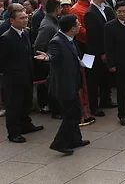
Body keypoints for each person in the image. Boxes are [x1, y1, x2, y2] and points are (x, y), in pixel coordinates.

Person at [34, 15, 89, 154]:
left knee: (75, 111)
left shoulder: (69, 39)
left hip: (72, 82)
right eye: (77, 24)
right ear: (72, 28)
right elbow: (52, 54)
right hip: (64, 85)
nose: (80, 26)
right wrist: (47, 57)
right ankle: (59, 142)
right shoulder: (57, 42)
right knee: (72, 114)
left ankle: (75, 139)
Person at [0, 7, 43, 142]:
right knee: (14, 105)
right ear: (12, 21)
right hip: (13, 78)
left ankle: (25, 124)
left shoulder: (25, 33)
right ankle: (13, 132)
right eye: (21, 18)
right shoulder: (6, 38)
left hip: (27, 74)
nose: (25, 20)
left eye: (26, 18)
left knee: (26, 102)